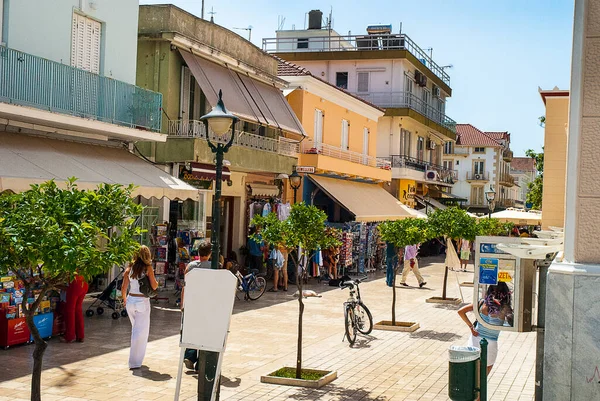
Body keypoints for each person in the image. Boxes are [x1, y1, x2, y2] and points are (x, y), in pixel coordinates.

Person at [457, 282, 514, 379]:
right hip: (491, 344)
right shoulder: (505, 308)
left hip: (475, 340)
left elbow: (460, 311)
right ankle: (479, 394)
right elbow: (514, 323)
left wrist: (471, 327)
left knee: (472, 376)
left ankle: (471, 393)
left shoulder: (481, 303)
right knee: (482, 379)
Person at [121, 245, 158, 370]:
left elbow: (124, 287)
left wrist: (124, 299)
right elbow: (154, 286)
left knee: (136, 330)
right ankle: (135, 362)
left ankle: (135, 359)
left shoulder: (129, 269)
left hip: (131, 300)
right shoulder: (147, 268)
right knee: (140, 333)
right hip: (142, 301)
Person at [182, 244, 212, 371]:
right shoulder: (214, 267)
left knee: (193, 330)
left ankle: (190, 355)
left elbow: (185, 286)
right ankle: (202, 363)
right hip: (207, 303)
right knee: (206, 332)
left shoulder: (190, 266)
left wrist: (183, 304)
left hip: (192, 303)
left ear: (198, 253)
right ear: (210, 253)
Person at [61, 274, 88, 343]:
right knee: (78, 310)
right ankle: (80, 336)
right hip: (84, 284)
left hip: (75, 285)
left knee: (70, 311)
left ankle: (70, 336)